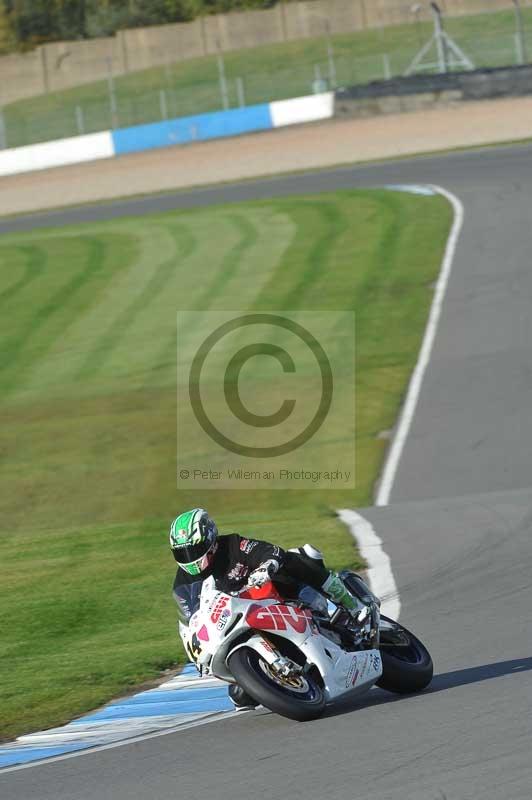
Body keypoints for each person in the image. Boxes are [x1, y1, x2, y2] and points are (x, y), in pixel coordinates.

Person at [170, 507, 364, 710]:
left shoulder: (232, 545)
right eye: (181, 553)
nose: (188, 557)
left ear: (210, 538)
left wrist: (266, 567)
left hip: (273, 596)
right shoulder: (182, 585)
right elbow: (191, 618)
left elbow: (268, 551)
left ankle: (350, 603)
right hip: (239, 621)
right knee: (240, 695)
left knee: (293, 560)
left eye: (192, 550)